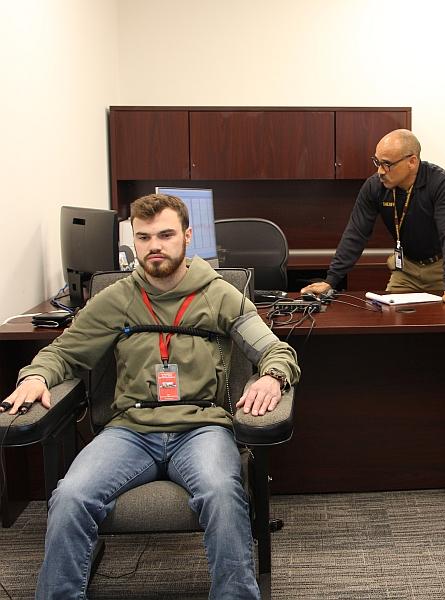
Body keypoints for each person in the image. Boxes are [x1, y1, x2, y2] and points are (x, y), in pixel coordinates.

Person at [0, 194, 300, 599]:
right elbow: (64, 354)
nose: (154, 245)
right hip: (130, 431)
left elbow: (274, 350)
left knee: (222, 494)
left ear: (187, 237)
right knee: (70, 497)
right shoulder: (116, 299)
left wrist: (271, 377)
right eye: (144, 237)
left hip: (201, 427)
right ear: (134, 242)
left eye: (165, 234)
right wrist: (36, 376)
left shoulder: (219, 294)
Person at [300, 129, 445, 308]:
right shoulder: (374, 187)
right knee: (392, 320)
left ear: (412, 162)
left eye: (387, 164)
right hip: (407, 269)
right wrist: (331, 280)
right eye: (377, 162)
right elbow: (356, 234)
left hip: (444, 265)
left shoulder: (441, 184)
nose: (380, 171)